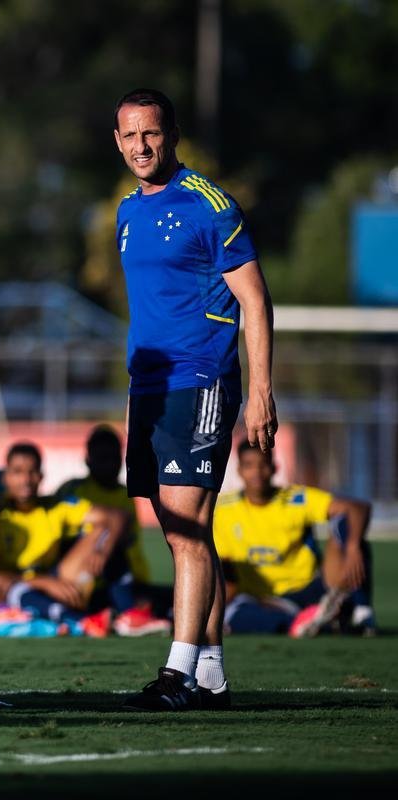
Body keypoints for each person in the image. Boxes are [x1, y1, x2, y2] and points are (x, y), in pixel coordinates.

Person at [112, 88, 276, 711]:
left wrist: (259, 392)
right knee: (182, 533)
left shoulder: (210, 205)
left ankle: (177, 674)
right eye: (128, 136)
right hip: (148, 390)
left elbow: (256, 301)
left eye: (150, 133)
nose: (140, 147)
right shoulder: (127, 212)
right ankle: (209, 675)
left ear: (172, 134)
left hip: (202, 379)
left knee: (187, 531)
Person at [214, 440, 375, 636]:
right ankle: (310, 622)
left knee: (346, 524)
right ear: (239, 470)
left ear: (274, 467)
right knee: (233, 615)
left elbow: (357, 508)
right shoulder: (223, 510)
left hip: (310, 590)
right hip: (261, 599)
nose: (257, 472)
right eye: (249, 465)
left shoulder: (295, 499)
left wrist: (352, 548)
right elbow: (225, 568)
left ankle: (361, 614)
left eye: (263, 464)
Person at [0, 442, 130, 634]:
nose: (26, 480)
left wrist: (102, 551)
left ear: (41, 476)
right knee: (1, 585)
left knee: (100, 533)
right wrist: (40, 582)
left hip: (53, 582)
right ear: (5, 477)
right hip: (10, 588)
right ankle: (79, 621)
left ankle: (126, 613)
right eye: (17, 472)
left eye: (32, 472)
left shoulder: (56, 507)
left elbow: (116, 516)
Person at [54, 424, 172, 636]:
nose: (109, 464)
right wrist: (102, 549)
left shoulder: (125, 495)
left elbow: (129, 540)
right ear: (88, 459)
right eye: (102, 458)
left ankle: (132, 612)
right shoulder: (74, 491)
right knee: (114, 556)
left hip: (128, 581)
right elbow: (63, 543)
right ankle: (128, 614)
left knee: (174, 597)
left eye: (113, 457)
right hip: (87, 582)